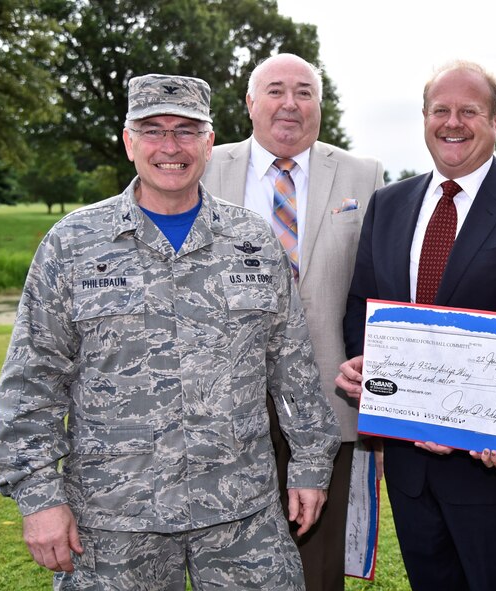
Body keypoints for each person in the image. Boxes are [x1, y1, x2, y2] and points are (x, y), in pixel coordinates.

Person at [0, 73, 340, 590]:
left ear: (210, 143)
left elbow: (292, 367)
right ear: (129, 141)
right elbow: (32, 380)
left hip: (240, 511)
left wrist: (310, 463)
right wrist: (40, 497)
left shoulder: (251, 241)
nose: (170, 147)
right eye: (153, 130)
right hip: (115, 518)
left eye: (187, 130)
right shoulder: (74, 243)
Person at [337, 60, 496, 590]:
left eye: (469, 111)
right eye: (440, 110)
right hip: (409, 469)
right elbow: (363, 308)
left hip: (489, 468)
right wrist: (370, 373)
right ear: (425, 118)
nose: (453, 122)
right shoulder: (388, 204)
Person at [200, 53, 384, 591]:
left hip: (330, 401)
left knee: (319, 562)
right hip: (223, 405)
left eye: (304, 92)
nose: (289, 104)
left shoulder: (363, 175)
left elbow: (380, 283)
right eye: (275, 90)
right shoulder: (205, 166)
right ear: (250, 103)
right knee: (227, 555)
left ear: (320, 106)